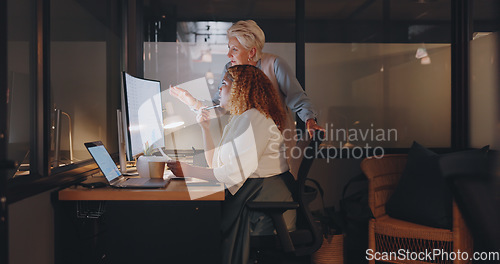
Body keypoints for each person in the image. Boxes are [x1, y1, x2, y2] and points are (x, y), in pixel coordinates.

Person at [167, 65, 296, 264]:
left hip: (263, 201)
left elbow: (231, 174)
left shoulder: (255, 119)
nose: (220, 89)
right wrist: (205, 129)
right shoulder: (241, 118)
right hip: (254, 194)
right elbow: (215, 164)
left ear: (241, 88)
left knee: (197, 223)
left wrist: (189, 170)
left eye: (224, 84)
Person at [169, 20, 324, 139]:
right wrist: (193, 102)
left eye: (234, 49)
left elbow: (297, 98)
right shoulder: (230, 69)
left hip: (277, 144)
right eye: (228, 48)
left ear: (252, 52)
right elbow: (220, 105)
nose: (229, 55)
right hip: (246, 143)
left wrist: (310, 121)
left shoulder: (275, 64)